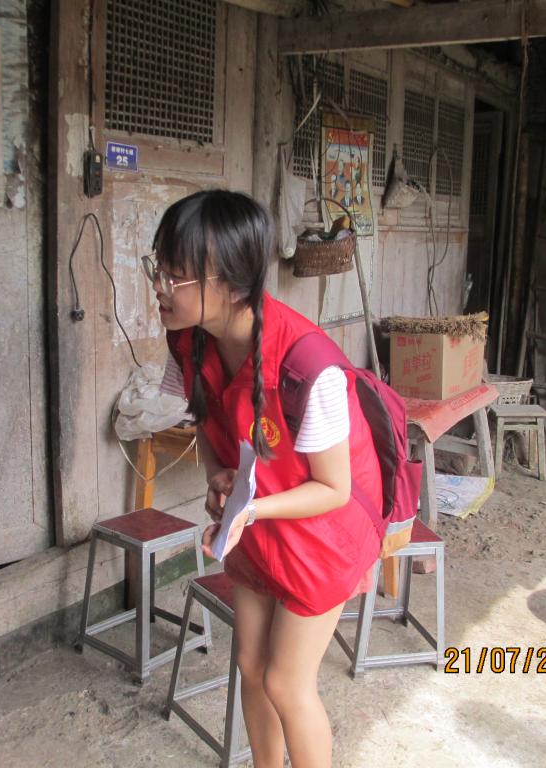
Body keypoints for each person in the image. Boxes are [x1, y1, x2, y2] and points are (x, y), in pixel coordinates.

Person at [145, 190, 382, 768]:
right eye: (157, 269)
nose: (159, 288)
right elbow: (205, 418)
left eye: (174, 276)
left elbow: (334, 489)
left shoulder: (308, 365)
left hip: (322, 534)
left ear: (230, 283)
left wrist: (250, 509)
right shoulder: (188, 342)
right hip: (257, 521)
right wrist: (217, 476)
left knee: (285, 683)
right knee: (250, 666)